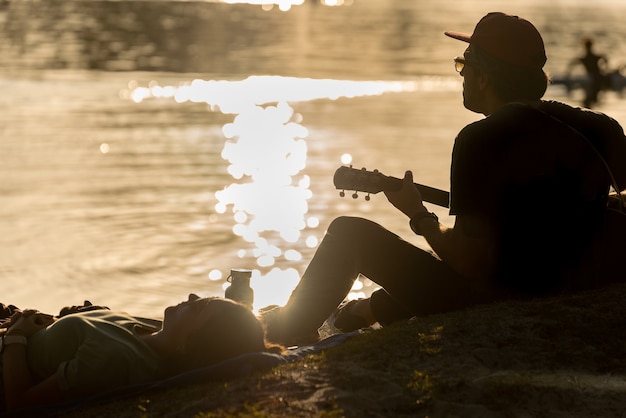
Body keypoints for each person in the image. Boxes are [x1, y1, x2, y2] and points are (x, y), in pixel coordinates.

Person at [261, 12, 626, 346]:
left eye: (463, 64)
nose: (461, 74)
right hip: (577, 282)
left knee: (349, 233)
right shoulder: (599, 127)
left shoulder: (479, 140)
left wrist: (418, 215)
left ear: (484, 77)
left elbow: (467, 263)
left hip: (499, 299)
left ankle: (284, 333)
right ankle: (367, 311)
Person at [1, 296, 282, 412]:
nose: (192, 296)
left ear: (187, 345)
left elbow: (18, 403)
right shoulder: (149, 331)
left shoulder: (115, 358)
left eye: (198, 308)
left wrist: (17, 336)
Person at [568, 37, 610, 108]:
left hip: (598, 78)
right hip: (595, 78)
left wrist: (568, 73)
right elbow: (605, 59)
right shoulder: (588, 57)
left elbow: (572, 64)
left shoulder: (587, 58)